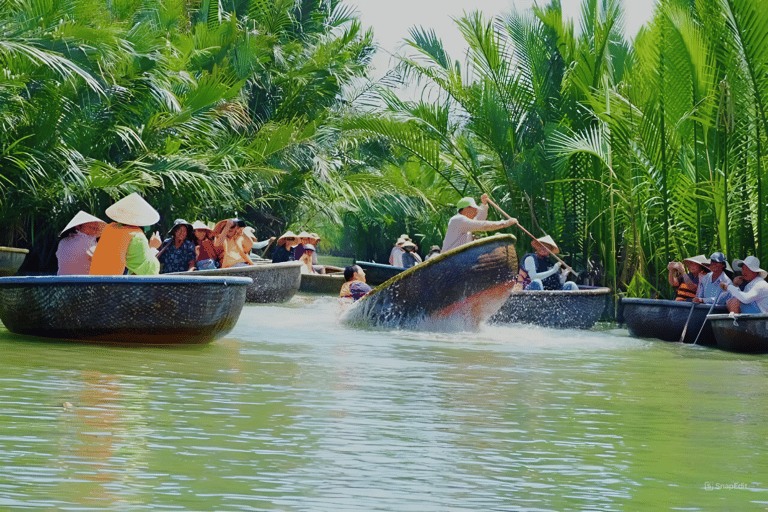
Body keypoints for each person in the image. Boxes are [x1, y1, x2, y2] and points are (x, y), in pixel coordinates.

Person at [90, 193, 162, 275]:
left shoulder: (109, 229)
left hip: (97, 282)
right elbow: (148, 269)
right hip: (114, 285)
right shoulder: (137, 237)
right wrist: (153, 248)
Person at [441, 194, 516, 253]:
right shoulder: (458, 220)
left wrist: (484, 204)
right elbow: (483, 226)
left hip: (460, 257)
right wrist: (505, 223)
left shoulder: (464, 221)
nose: (476, 212)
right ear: (467, 209)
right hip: (450, 258)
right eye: (474, 209)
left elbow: (479, 219)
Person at [56, 211, 107, 275]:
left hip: (62, 283)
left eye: (95, 222)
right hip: (84, 283)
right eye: (90, 223)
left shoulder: (63, 241)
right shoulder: (89, 242)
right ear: (78, 226)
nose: (94, 224)